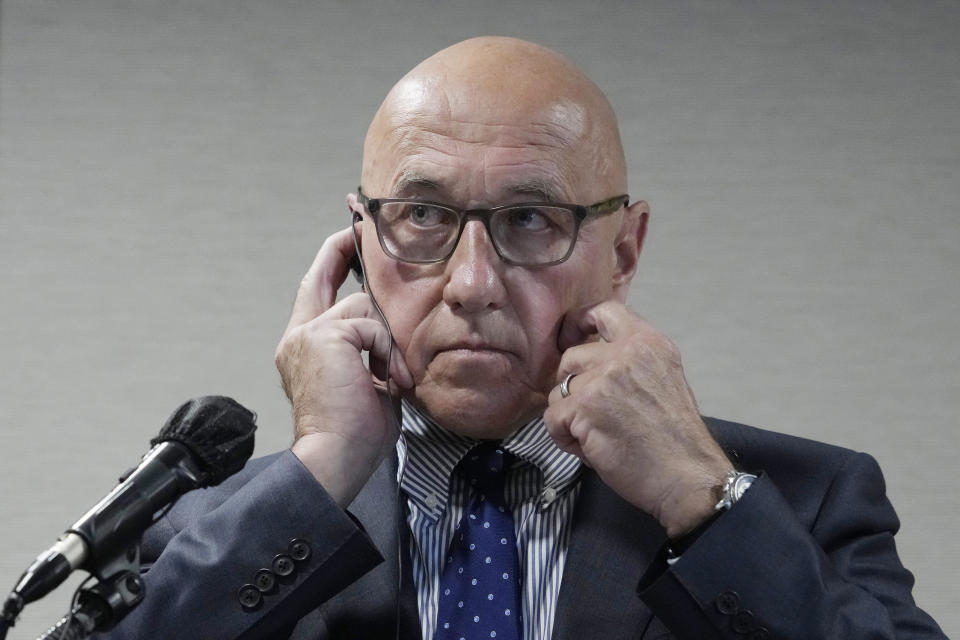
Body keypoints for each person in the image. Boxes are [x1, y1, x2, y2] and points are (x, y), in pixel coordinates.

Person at [96, 37, 945, 639]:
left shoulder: (806, 501)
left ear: (624, 250)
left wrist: (699, 497)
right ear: (357, 241)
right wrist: (319, 466)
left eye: (531, 219)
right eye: (423, 215)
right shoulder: (200, 523)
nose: (471, 284)